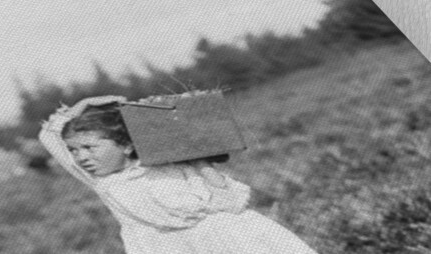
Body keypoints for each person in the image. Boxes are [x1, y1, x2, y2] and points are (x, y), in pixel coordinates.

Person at [39, 95, 319, 254]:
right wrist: (82, 106)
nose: (81, 157)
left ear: (125, 145)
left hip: (228, 241)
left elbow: (231, 204)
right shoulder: (105, 182)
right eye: (75, 151)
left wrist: (201, 164)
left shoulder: (167, 166)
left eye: (89, 147)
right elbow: (51, 137)